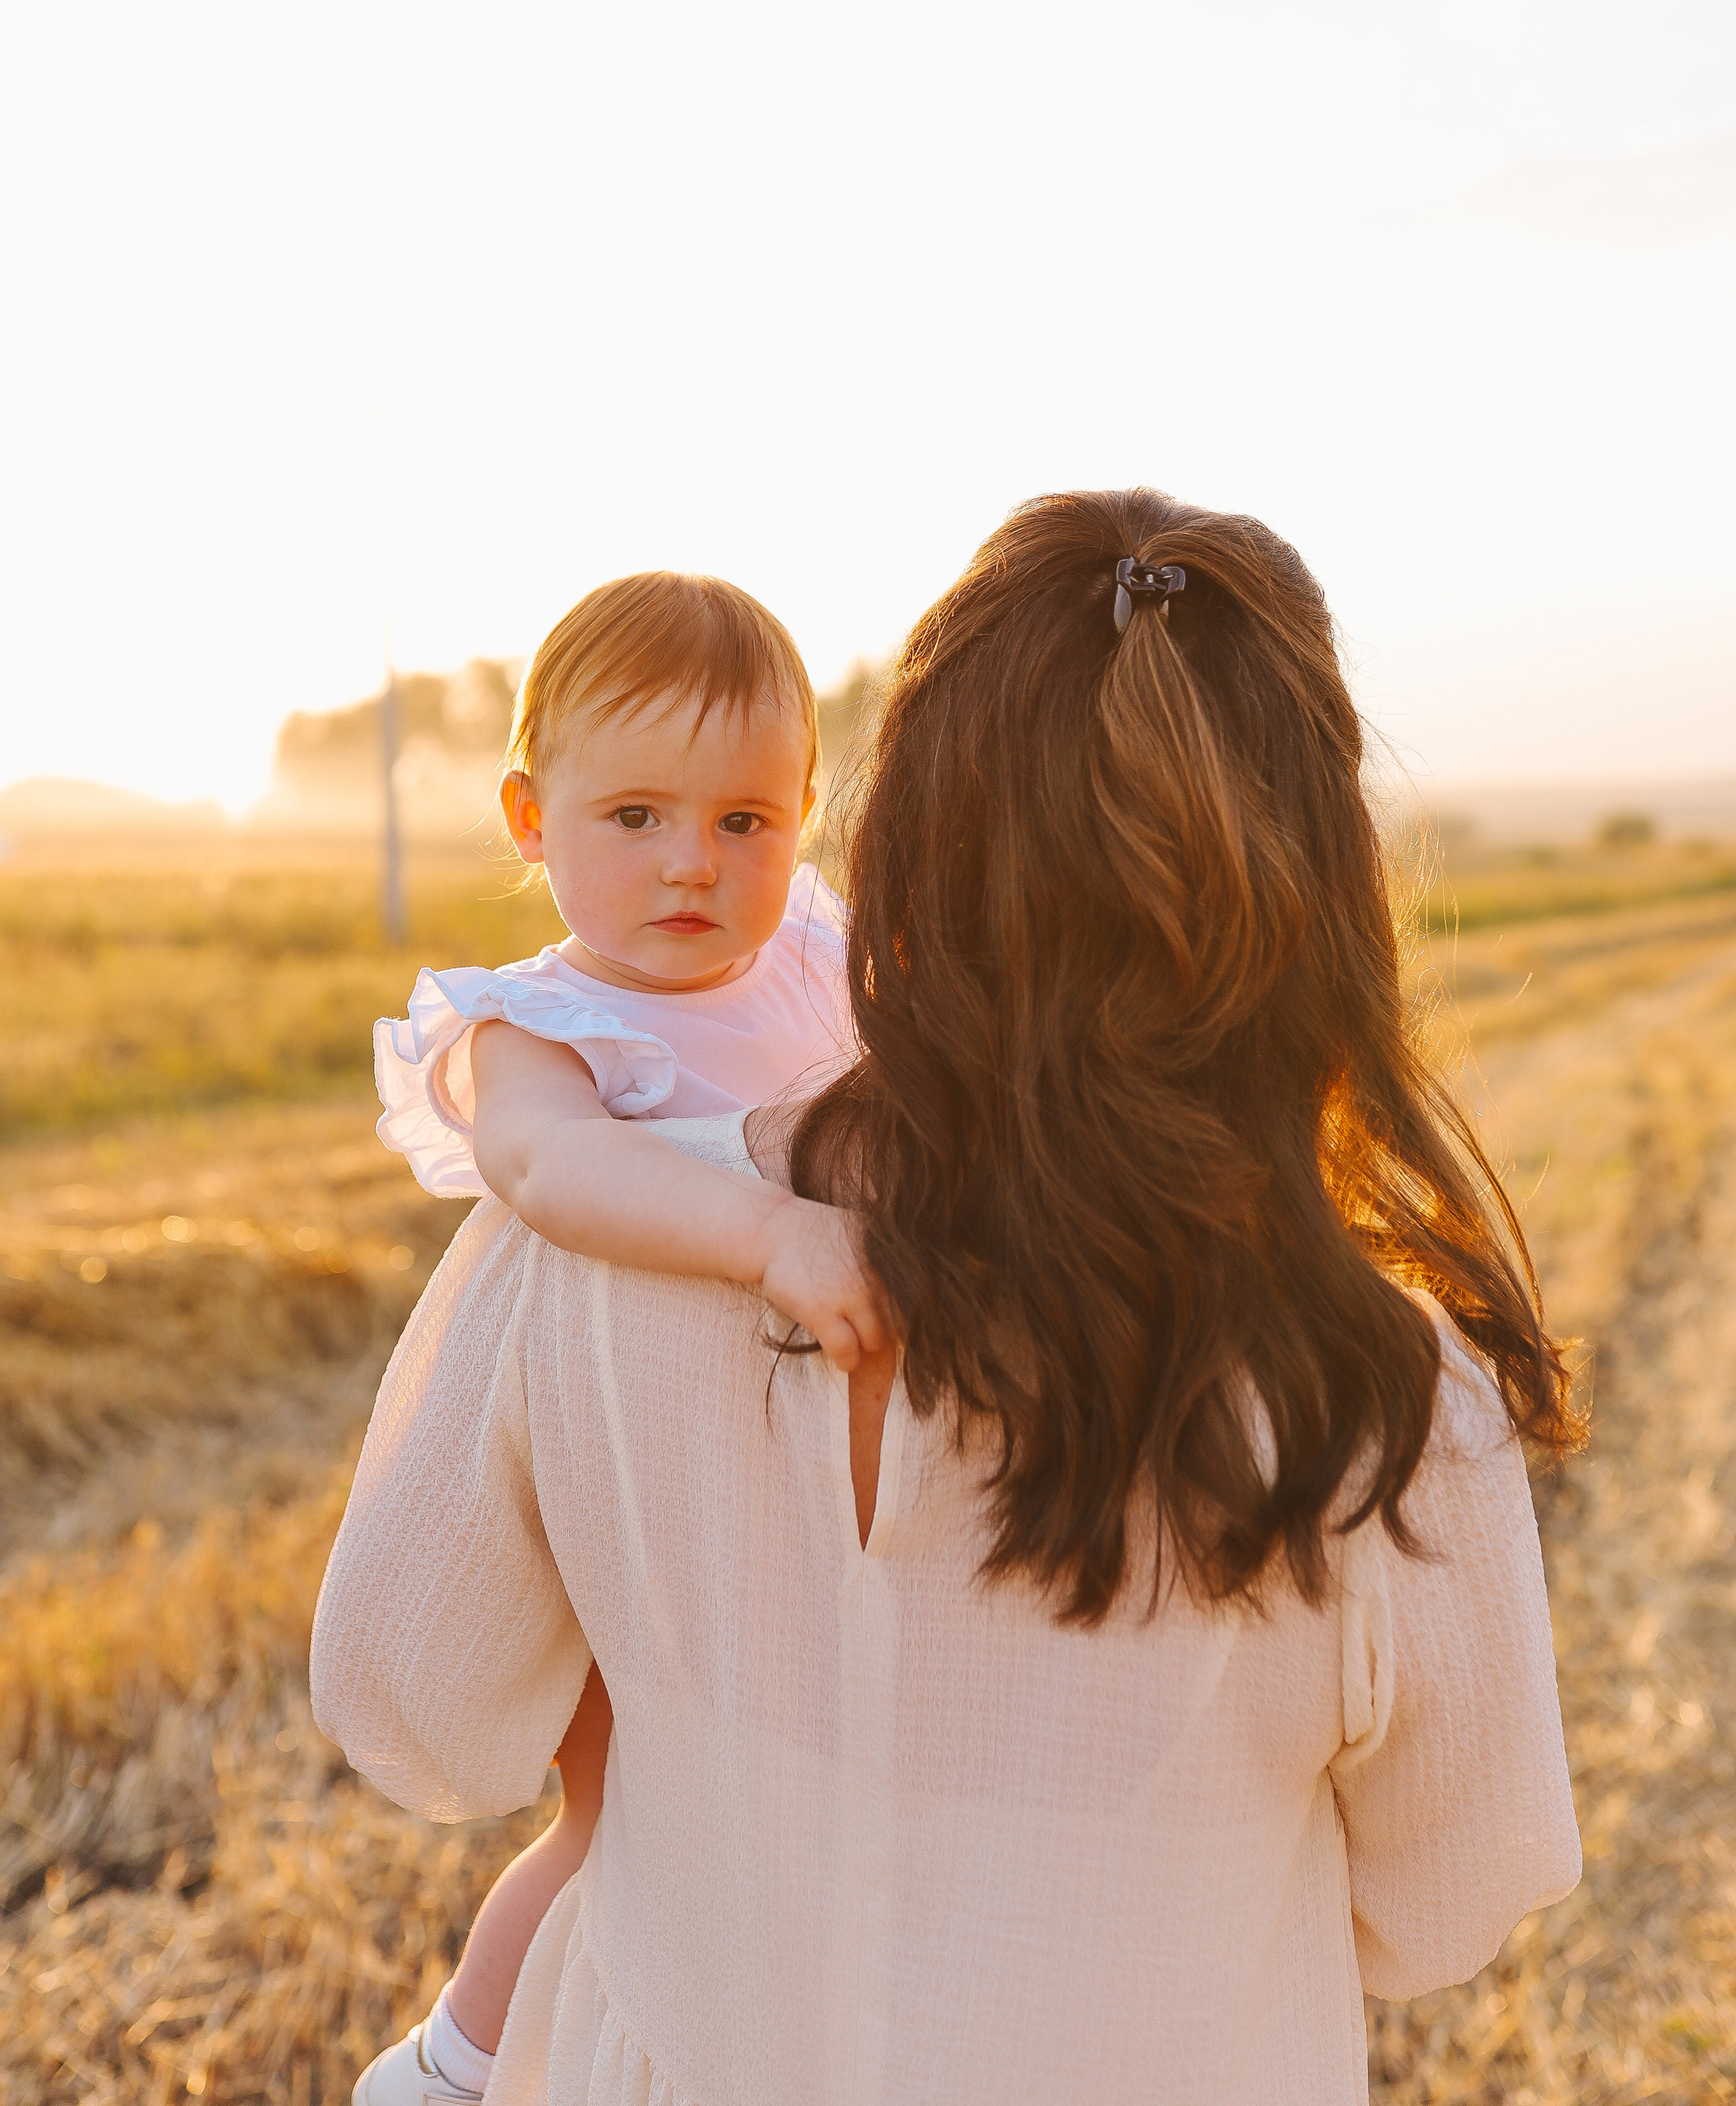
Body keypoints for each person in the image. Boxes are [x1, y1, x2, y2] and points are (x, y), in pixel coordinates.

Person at [313, 489, 1583, 2106]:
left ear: (887, 833)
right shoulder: (1376, 1392)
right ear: (1312, 894)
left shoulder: (607, 1232)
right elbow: (1442, 1905)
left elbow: (420, 1717)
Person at [353, 569, 884, 2105]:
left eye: (744, 823)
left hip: (792, 1481)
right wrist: (769, 1229)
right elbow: (549, 1171)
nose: (692, 866)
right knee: (631, 1820)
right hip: (627, 1496)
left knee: (798, 1813)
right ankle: (456, 2063)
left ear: (802, 813)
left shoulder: (810, 960)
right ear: (531, 815)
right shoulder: (539, 1029)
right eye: (634, 816)